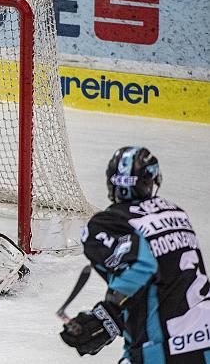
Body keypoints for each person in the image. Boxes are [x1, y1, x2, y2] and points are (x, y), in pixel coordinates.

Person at [60, 146, 210, 363]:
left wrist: (109, 313)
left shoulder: (106, 224)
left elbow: (142, 268)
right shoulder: (176, 213)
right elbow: (167, 280)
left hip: (163, 349)